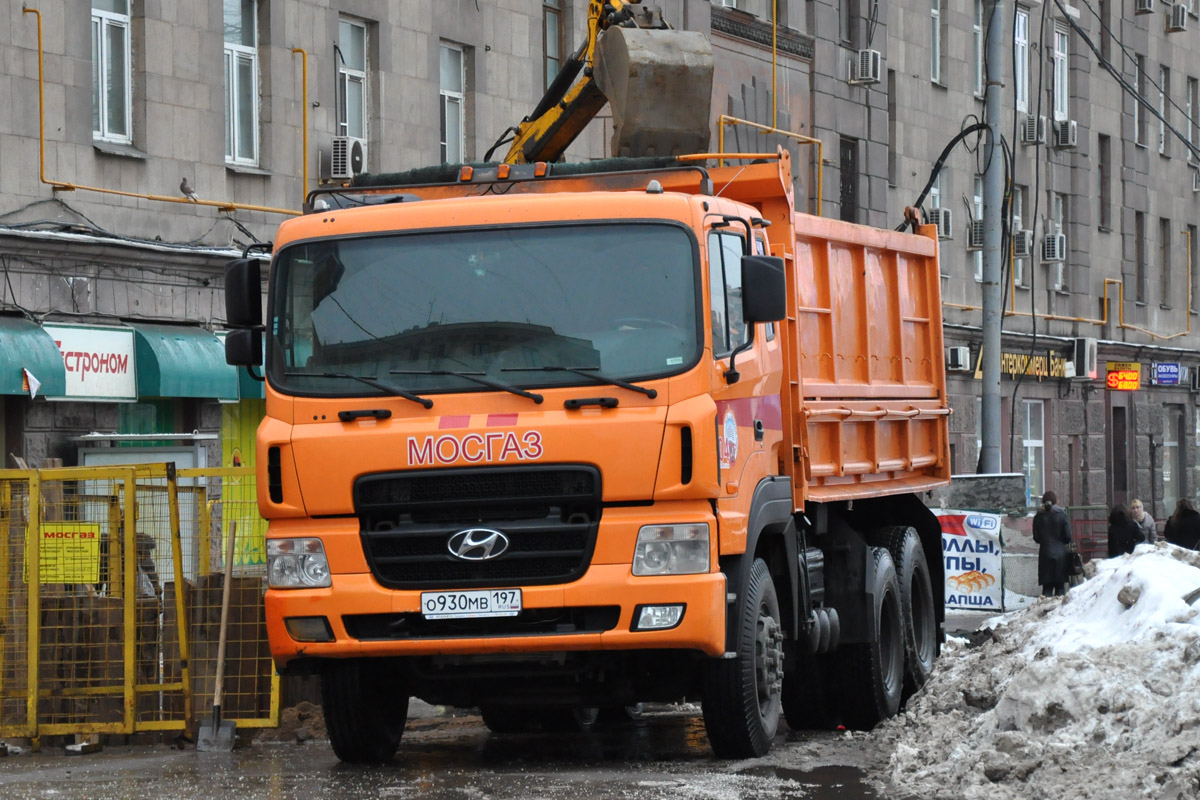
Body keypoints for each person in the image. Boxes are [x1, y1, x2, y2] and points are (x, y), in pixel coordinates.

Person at [1032, 490, 1073, 597]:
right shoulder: (1062, 515)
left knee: (1047, 590)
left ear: (1043, 501)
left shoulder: (1038, 517)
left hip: (1045, 554)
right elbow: (1068, 536)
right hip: (1061, 556)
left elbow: (1036, 538)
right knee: (1060, 589)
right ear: (1055, 501)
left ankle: (1045, 612)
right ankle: (1059, 613)